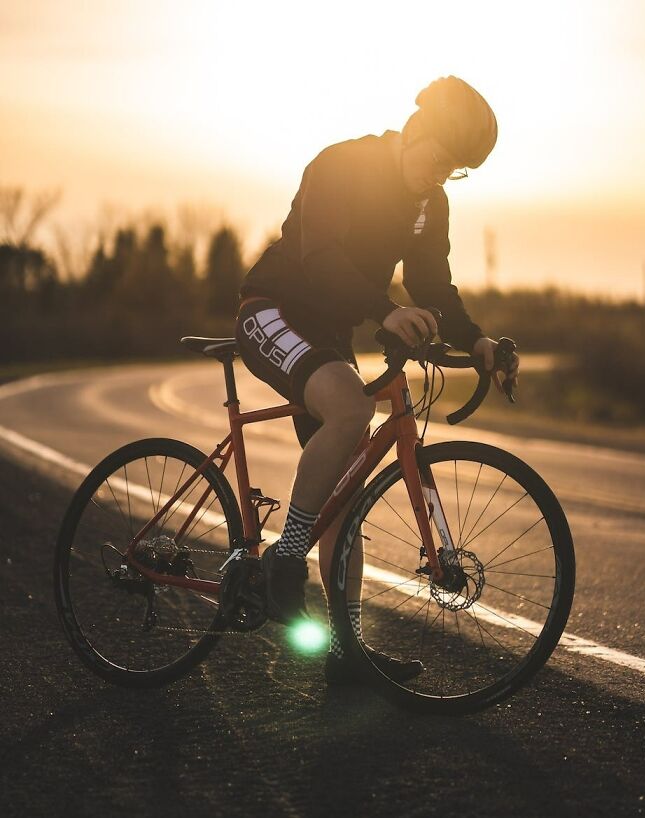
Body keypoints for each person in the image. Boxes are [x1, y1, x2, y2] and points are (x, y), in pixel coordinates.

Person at [234, 75, 519, 685]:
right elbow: (322, 258)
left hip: (331, 336)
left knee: (345, 497)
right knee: (349, 410)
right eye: (440, 159)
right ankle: (286, 564)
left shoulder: (428, 203)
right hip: (273, 310)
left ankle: (348, 652)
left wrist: (478, 341)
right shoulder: (343, 165)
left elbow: (434, 285)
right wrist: (386, 309)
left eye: (456, 171)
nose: (441, 177)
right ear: (415, 131)